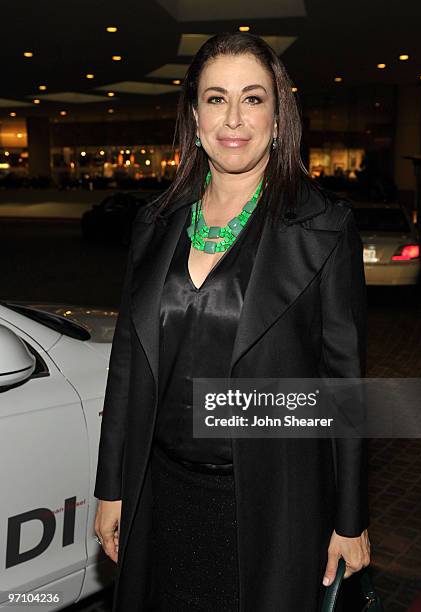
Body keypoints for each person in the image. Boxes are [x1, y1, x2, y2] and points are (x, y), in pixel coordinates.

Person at [93, 32, 371, 612]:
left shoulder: (324, 227)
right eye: (216, 99)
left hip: (272, 501)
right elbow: (126, 366)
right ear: (194, 115)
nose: (234, 118)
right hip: (161, 490)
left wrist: (350, 519)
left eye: (253, 97)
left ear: (278, 113)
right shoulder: (155, 222)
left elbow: (345, 388)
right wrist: (111, 488)